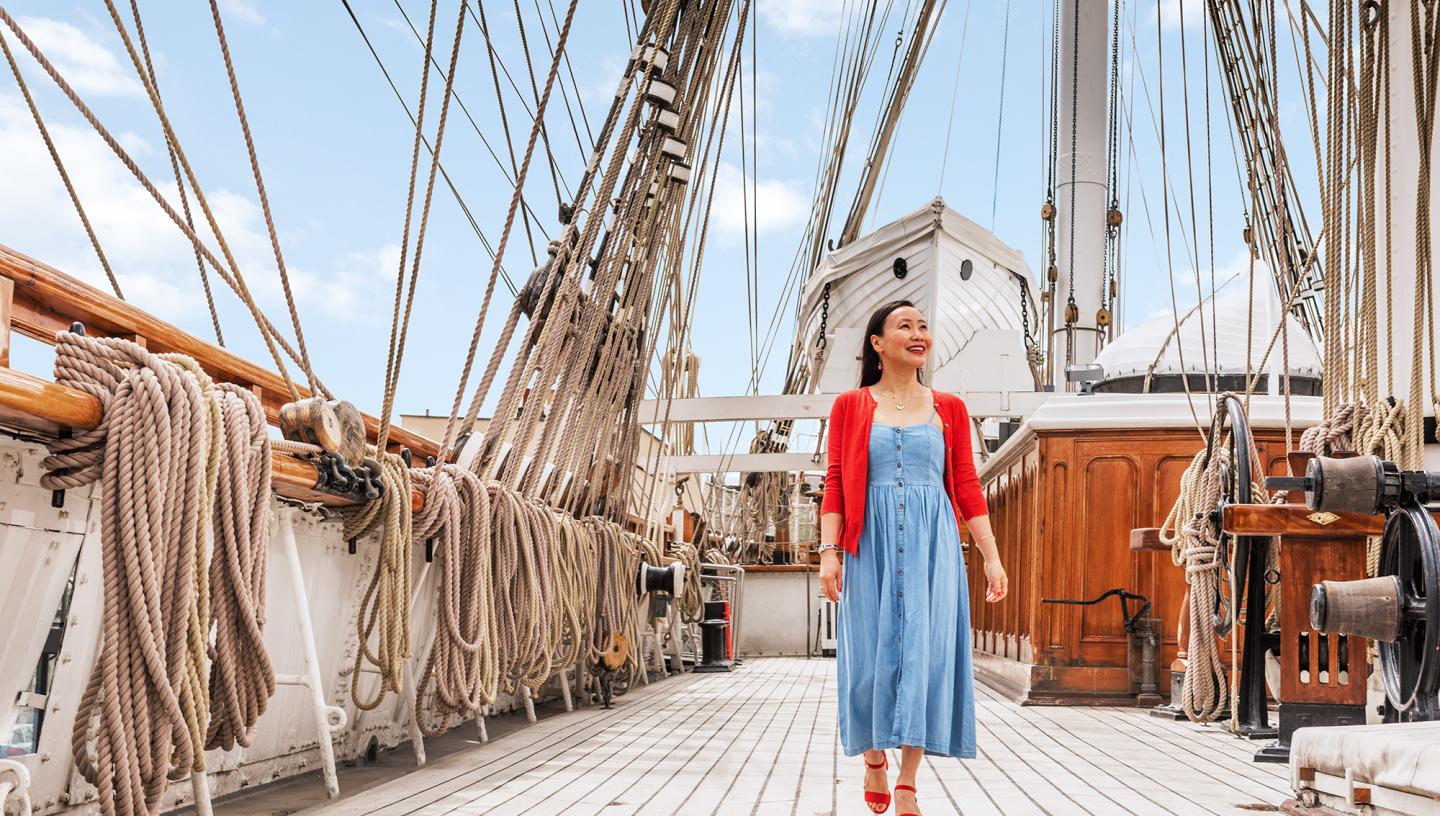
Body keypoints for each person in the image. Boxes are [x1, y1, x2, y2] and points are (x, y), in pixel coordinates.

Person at [818, 300, 1008, 816]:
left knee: (926, 656)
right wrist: (828, 553)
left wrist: (991, 557)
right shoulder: (850, 407)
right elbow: (834, 483)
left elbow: (966, 485)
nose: (919, 333)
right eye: (905, 326)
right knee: (868, 658)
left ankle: (907, 778)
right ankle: (873, 754)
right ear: (878, 344)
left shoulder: (949, 407)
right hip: (868, 545)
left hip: (933, 546)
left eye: (923, 326)